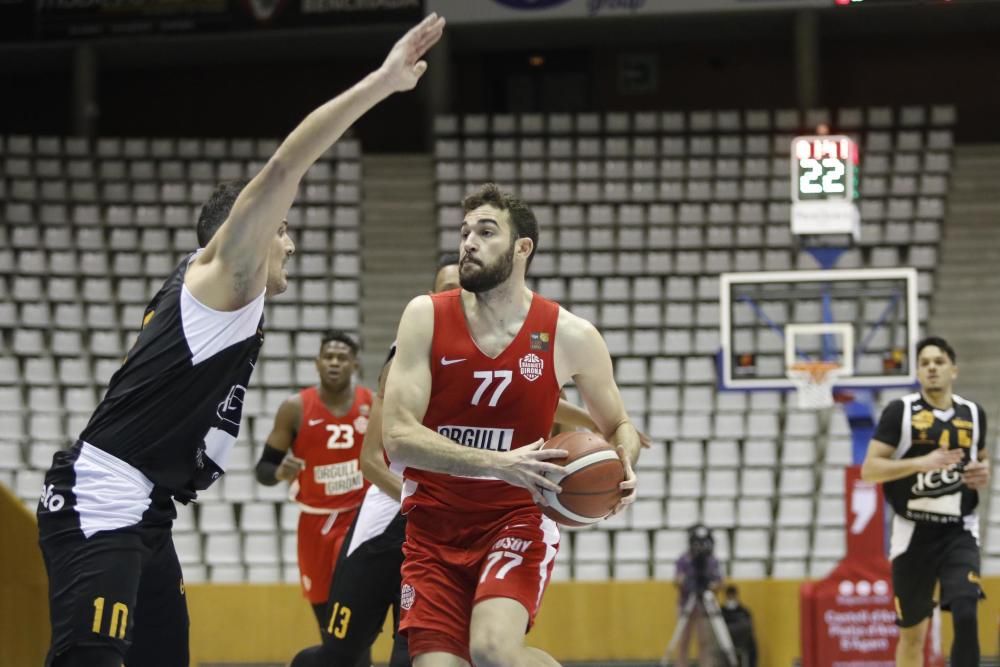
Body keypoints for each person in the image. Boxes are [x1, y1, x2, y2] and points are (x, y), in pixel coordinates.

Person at [33, 15, 446, 667]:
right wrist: (381, 82)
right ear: (246, 232)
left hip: (148, 507)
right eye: (282, 229)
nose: (291, 242)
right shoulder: (227, 275)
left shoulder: (196, 298)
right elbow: (287, 162)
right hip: (105, 496)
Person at [290, 254, 635, 667]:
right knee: (341, 650)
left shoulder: (513, 348)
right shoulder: (410, 354)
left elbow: (557, 406)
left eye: (462, 286)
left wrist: (610, 432)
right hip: (400, 511)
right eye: (446, 288)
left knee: (471, 650)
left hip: (481, 515)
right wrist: (439, 491)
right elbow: (378, 457)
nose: (457, 295)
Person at [381, 183, 641, 667]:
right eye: (464, 232)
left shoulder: (570, 334)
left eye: (485, 231)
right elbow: (396, 437)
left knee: (493, 650)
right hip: (432, 528)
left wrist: (624, 464)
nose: (469, 243)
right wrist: (501, 462)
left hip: (516, 517)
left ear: (523, 248)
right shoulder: (425, 315)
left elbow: (619, 423)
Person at [861, 336, 989, 667]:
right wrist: (919, 463)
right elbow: (870, 470)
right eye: (925, 363)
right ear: (918, 372)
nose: (932, 368)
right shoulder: (900, 412)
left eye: (939, 362)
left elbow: (981, 458)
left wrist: (981, 473)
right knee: (913, 633)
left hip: (958, 529)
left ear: (953, 370)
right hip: (913, 532)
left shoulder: (973, 413)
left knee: (965, 610)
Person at [256, 330, 372, 633]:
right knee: (327, 625)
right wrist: (280, 472)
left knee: (354, 615)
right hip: (315, 522)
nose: (335, 363)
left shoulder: (371, 405)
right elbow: (264, 469)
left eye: (342, 358)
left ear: (355, 365)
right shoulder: (295, 408)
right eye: (328, 357)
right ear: (317, 363)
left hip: (359, 518)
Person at [663, 524, 724, 667]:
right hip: (686, 603)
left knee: (705, 641)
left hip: (705, 606)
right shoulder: (684, 559)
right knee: (684, 641)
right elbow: (677, 580)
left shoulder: (712, 560)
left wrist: (711, 586)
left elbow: (720, 582)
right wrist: (685, 581)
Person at [720, 585, 757, 667]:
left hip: (741, 640)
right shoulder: (721, 611)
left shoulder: (743, 611)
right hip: (725, 639)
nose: (731, 598)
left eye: (733, 595)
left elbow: (749, 627)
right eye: (729, 595)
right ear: (726, 596)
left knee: (752, 643)